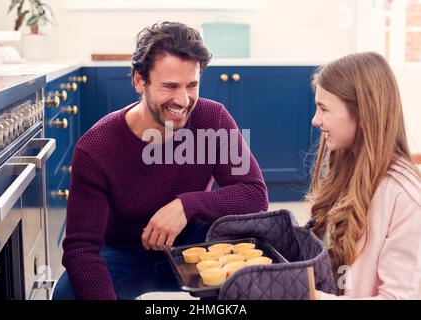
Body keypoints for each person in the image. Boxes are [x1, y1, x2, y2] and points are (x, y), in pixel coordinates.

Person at [52, 21, 268, 300]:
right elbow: (80, 248)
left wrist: (187, 206)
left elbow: (255, 195)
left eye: (192, 85)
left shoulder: (212, 119)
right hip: (122, 253)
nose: (183, 100)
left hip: (191, 243)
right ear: (139, 81)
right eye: (170, 86)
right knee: (67, 295)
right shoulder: (96, 148)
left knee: (250, 282)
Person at [307, 52, 421, 299]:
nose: (315, 120)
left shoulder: (405, 198)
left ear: (363, 114)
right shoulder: (345, 167)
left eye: (324, 109)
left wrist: (307, 296)